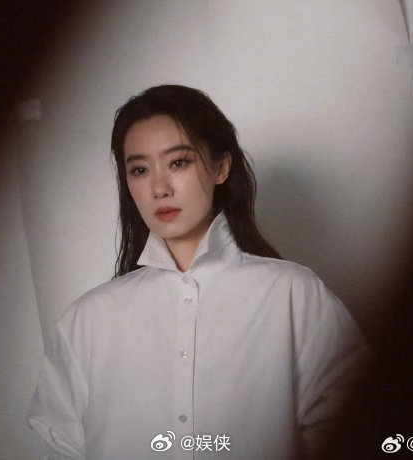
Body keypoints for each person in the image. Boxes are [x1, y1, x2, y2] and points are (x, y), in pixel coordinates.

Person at [27, 85, 368, 459]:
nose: (159, 188)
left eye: (178, 163)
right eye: (140, 170)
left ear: (221, 167)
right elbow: (58, 448)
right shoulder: (87, 321)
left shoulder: (293, 294)